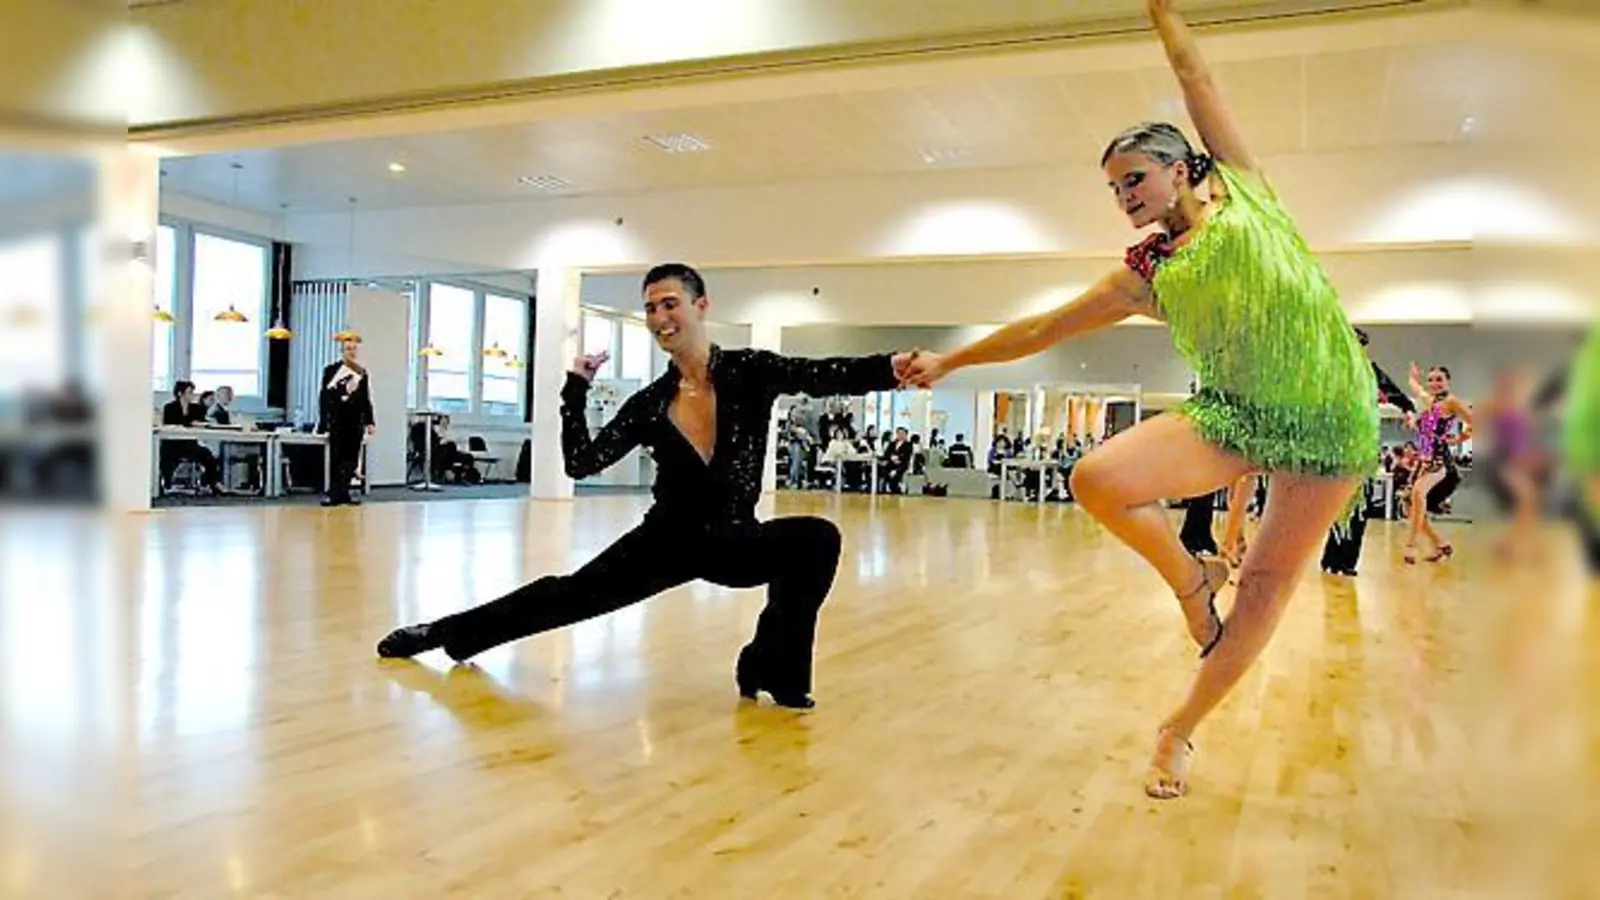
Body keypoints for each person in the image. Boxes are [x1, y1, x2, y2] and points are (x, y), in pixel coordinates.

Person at [895, 0, 1379, 798]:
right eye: (1114, 187)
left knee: (1265, 588)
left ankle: (1178, 729)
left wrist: (1161, 10)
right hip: (1237, 413)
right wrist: (951, 359)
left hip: (1333, 425)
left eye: (1134, 178)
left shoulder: (1250, 195)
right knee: (1096, 479)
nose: (1123, 195)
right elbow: (1045, 327)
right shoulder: (1145, 271)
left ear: (1183, 167)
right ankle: (1191, 582)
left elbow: (1195, 75)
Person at [376, 263, 916, 709]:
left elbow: (825, 374)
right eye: (651, 308)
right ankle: (444, 633)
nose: (659, 317)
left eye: (670, 303)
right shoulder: (649, 404)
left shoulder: (751, 371)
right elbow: (583, 463)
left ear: (701, 306)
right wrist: (574, 391)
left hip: (733, 539)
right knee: (566, 596)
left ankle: (770, 666)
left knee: (816, 540)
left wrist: (892, 368)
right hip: (666, 541)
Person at [1400, 364, 1473, 564]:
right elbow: (1415, 386)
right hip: (1422, 461)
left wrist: (1460, 439)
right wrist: (1413, 376)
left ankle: (1411, 545)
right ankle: (1441, 544)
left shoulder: (1452, 402)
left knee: (1417, 493)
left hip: (1439, 461)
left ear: (1447, 381)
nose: (1434, 383)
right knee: (1409, 507)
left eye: (1439, 379)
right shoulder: (1430, 401)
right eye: (1431, 379)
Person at [318, 336, 375, 507]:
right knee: (337, 458)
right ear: (342, 351)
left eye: (354, 348)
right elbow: (324, 397)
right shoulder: (330, 370)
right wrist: (323, 420)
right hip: (338, 420)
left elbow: (366, 399)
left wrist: (370, 421)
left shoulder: (362, 373)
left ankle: (343, 492)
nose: (352, 352)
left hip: (355, 421)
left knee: (351, 459)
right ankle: (335, 493)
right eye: (348, 349)